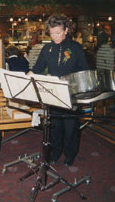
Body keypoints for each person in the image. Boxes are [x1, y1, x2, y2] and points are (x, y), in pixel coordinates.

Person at [29, 14, 90, 166]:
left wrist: (77, 87)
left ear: (66, 30)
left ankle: (69, 155)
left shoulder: (76, 48)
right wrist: (26, 77)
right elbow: (37, 69)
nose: (54, 36)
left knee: (70, 128)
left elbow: (85, 70)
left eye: (58, 33)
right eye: (51, 33)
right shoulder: (47, 48)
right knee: (55, 126)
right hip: (54, 93)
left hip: (71, 93)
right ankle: (55, 153)